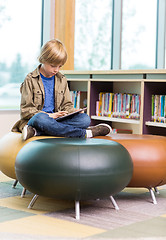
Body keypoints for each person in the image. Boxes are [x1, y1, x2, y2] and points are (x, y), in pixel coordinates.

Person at [12, 39, 112, 140]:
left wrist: (74, 111)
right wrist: (49, 115)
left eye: (60, 66)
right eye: (53, 66)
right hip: (38, 120)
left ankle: (36, 132)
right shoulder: (30, 79)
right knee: (41, 119)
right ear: (43, 59)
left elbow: (66, 105)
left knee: (84, 119)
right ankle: (85, 133)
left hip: (58, 121)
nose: (56, 70)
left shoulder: (61, 79)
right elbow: (26, 111)